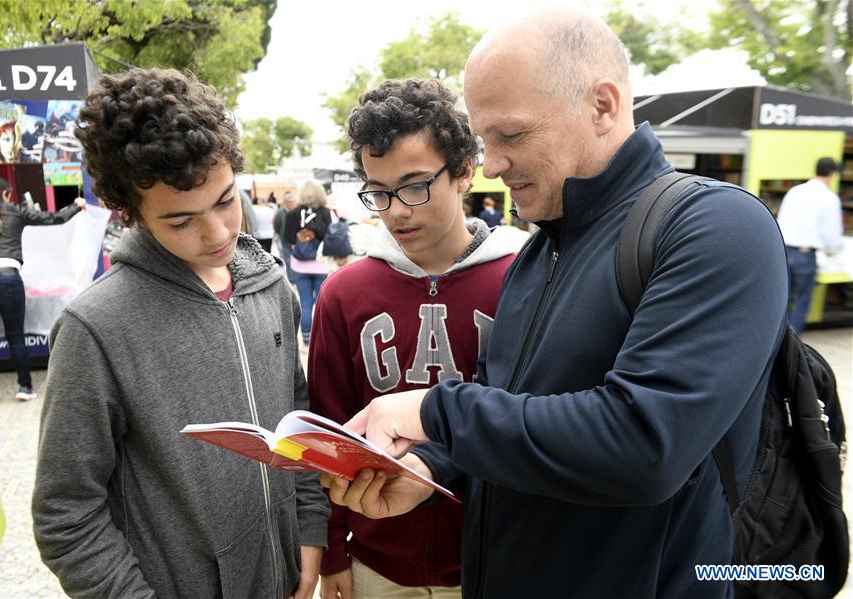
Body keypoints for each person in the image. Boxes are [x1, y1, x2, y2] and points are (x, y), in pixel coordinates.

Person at [321, 7, 788, 598]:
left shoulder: (715, 226)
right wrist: (432, 467)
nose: (492, 166)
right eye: (485, 141)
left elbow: (646, 445)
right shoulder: (541, 251)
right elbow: (511, 406)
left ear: (603, 106)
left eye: (512, 136)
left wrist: (434, 410)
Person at [32, 68, 329, 599]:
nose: (217, 233)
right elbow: (66, 513)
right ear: (131, 212)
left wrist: (309, 531)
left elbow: (296, 421)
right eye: (181, 221)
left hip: (286, 577)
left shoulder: (272, 286)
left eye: (226, 201)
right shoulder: (95, 328)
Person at [310, 78, 518, 599]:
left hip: (494, 562)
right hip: (375, 564)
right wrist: (334, 551)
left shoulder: (521, 280)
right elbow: (329, 428)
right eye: (379, 191)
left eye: (414, 185)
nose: (396, 210)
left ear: (464, 171)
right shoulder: (343, 294)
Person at [0, 176, 84, 406]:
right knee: (15, 336)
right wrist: (76, 205)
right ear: (5, 194)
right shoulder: (16, 211)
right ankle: (25, 387)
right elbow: (54, 218)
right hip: (7, 276)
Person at [776, 156, 845, 332]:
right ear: (832, 174)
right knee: (801, 301)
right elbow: (832, 236)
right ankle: (791, 344)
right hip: (804, 255)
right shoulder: (829, 198)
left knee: (782, 301)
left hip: (783, 251)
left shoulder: (794, 192)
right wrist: (832, 250)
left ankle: (775, 341)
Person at [282, 179, 332, 347]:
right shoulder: (326, 213)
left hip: (300, 265)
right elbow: (332, 237)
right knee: (323, 303)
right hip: (321, 265)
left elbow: (288, 240)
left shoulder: (293, 214)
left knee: (305, 303)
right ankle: (323, 340)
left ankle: (306, 341)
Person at [275, 191, 297, 278]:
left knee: (296, 260)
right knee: (288, 260)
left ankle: (296, 276)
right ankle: (291, 278)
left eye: (293, 202)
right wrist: (281, 234)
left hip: (296, 241)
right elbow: (276, 226)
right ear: (286, 202)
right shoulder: (280, 213)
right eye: (289, 202)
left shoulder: (298, 211)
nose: (292, 204)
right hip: (285, 241)